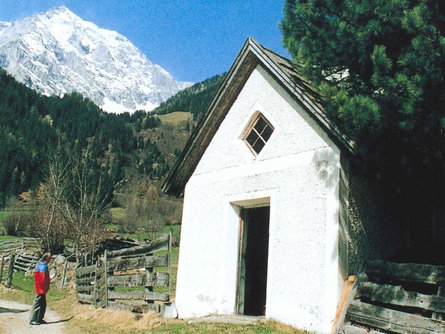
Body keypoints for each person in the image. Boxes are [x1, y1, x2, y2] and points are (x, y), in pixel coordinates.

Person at [29, 252, 52, 325]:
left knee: (43, 304)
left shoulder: (41, 265)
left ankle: (39, 319)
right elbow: (43, 280)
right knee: (37, 304)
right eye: (49, 258)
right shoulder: (43, 267)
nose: (50, 260)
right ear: (46, 258)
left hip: (41, 289)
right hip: (41, 289)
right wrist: (45, 287)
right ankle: (33, 319)